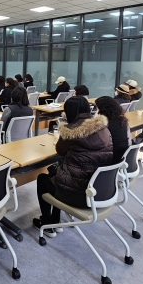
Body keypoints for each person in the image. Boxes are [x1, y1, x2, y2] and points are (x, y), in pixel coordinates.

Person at [33, 96, 113, 237]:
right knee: (54, 172)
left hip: (79, 195)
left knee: (42, 179)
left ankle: (47, 223)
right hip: (100, 190)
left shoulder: (71, 130)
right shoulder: (103, 127)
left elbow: (60, 150)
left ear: (69, 112)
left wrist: (64, 127)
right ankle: (55, 221)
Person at [95, 96, 131, 162]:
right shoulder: (123, 120)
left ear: (103, 110)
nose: (97, 111)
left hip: (111, 158)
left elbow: (97, 144)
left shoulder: (105, 124)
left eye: (97, 108)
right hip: (123, 155)